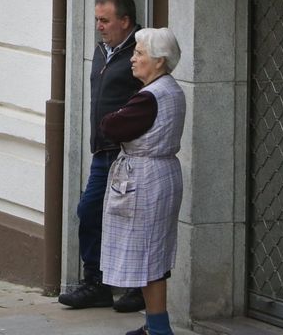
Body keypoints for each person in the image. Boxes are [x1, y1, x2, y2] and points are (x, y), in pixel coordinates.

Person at [58, 0, 144, 312]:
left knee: (131, 219)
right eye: (97, 19)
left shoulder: (139, 53)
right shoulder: (103, 51)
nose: (99, 26)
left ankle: (137, 287)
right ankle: (95, 283)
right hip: (102, 152)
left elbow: (146, 102)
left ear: (125, 21)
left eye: (105, 20)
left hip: (128, 153)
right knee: (89, 211)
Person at [100, 27, 186, 335]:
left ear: (159, 61)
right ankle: (154, 325)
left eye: (139, 54)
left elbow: (113, 125)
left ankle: (160, 330)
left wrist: (113, 116)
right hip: (161, 175)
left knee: (151, 259)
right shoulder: (169, 89)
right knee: (155, 257)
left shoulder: (151, 97)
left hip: (148, 180)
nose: (133, 59)